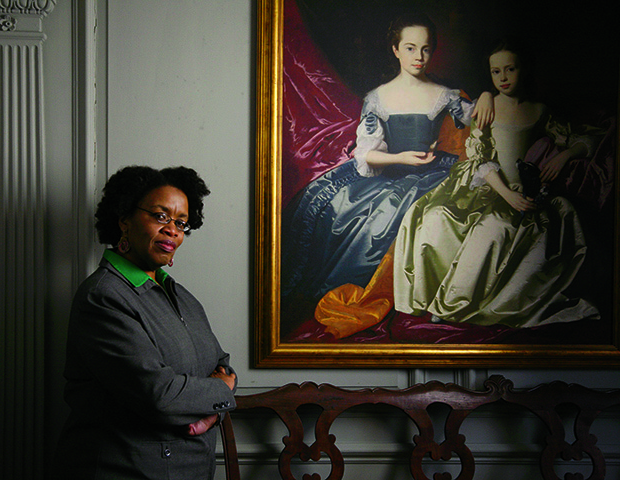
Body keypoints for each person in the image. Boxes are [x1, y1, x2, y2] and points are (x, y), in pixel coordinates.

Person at [280, 13, 492, 330]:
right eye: (410, 48)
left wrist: (487, 95)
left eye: (425, 49)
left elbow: (476, 117)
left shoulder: (445, 95)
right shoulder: (378, 98)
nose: (418, 57)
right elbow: (367, 152)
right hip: (391, 173)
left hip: (436, 173)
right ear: (395, 50)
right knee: (340, 211)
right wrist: (401, 158)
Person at [393, 38, 602, 328]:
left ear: (523, 70)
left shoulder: (539, 111)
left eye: (510, 70)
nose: (503, 78)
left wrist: (564, 155)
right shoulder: (486, 107)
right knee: (433, 216)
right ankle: (430, 299)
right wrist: (505, 193)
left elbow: (585, 138)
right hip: (489, 187)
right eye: (496, 72)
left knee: (494, 228)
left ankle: (454, 305)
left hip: (522, 194)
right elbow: (480, 157)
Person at [53, 165, 237, 480]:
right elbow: (159, 395)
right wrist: (220, 391)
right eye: (160, 216)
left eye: (181, 222)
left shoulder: (180, 296)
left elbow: (223, 367)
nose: (173, 230)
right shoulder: (104, 297)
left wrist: (214, 413)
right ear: (124, 219)